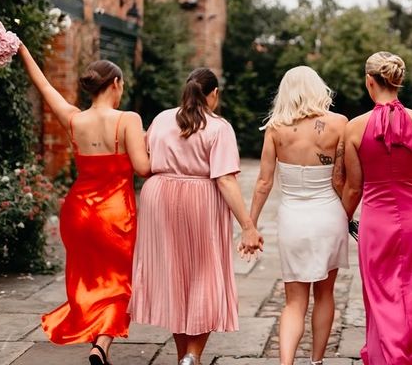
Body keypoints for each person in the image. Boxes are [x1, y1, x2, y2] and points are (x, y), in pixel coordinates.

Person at [17, 45, 151, 365]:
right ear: (116, 84)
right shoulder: (128, 119)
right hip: (115, 213)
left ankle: (96, 340)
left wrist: (21, 49)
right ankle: (101, 345)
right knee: (119, 281)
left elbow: (45, 86)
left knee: (89, 279)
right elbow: (143, 168)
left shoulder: (74, 119)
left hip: (78, 210)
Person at [128, 68, 263, 365]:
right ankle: (192, 356)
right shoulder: (219, 127)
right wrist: (248, 226)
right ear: (213, 94)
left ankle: (185, 359)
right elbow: (226, 180)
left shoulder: (163, 119)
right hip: (200, 198)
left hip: (159, 196)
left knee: (174, 276)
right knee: (205, 275)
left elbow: (145, 160)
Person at [342, 51, 412, 364]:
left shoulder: (353, 128)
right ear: (398, 81)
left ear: (369, 82)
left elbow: (353, 186)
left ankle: (388, 357)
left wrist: (342, 218)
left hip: (376, 222)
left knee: (381, 296)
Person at [249, 66, 349, 365]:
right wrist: (349, 214)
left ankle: (286, 363)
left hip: (293, 218)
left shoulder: (276, 128)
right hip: (329, 214)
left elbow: (264, 181)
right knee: (325, 294)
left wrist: (250, 223)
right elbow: (342, 179)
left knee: (294, 301)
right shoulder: (339, 123)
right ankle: (316, 361)